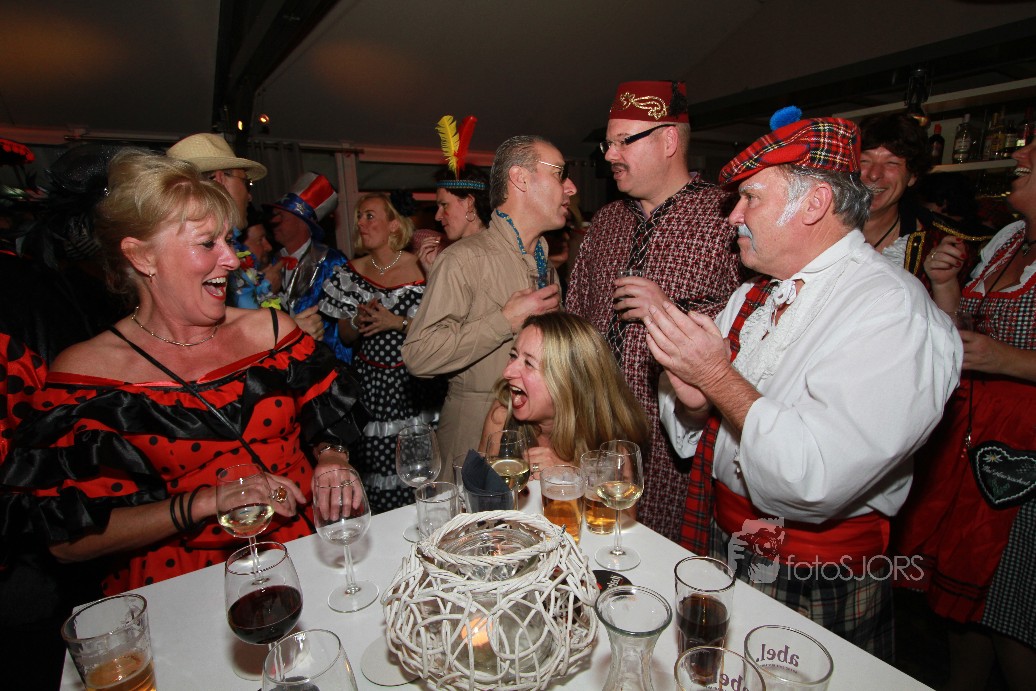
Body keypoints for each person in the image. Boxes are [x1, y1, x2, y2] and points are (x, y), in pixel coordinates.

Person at [648, 110, 961, 659]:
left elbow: (814, 477)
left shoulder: (890, 310)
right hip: (725, 541)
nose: (733, 216)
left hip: (813, 571)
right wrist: (696, 400)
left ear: (814, 204)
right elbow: (702, 428)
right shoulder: (754, 293)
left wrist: (717, 376)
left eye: (751, 198)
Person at [0, 150, 367, 595]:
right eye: (208, 244)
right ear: (142, 256)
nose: (231, 259)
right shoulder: (88, 373)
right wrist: (203, 502)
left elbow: (327, 417)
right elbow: (66, 542)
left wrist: (331, 458)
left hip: (303, 553)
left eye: (228, 240)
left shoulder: (272, 332)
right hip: (182, 585)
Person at [566, 80, 743, 542]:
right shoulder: (605, 222)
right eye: (608, 143)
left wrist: (665, 311)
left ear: (668, 141)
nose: (610, 154)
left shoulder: (727, 218)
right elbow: (575, 317)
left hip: (678, 444)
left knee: (665, 561)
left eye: (624, 141)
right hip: (592, 434)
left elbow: (754, 333)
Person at [894, 139, 1036, 690]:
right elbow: (959, 336)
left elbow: (990, 351)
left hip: (1025, 454)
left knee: (1013, 612)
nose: (1020, 156)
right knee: (962, 608)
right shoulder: (1008, 241)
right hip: (973, 438)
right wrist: (946, 285)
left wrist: (1007, 360)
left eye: (1034, 153)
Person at [402, 135, 570, 464]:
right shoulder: (464, 259)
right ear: (520, 178)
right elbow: (418, 355)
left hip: (537, 436)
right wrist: (504, 321)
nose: (571, 188)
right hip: (473, 434)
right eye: (559, 174)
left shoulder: (545, 265)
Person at [320, 193, 439, 512]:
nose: (361, 222)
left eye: (370, 215)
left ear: (393, 224)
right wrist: (356, 321)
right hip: (371, 388)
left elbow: (438, 329)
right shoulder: (350, 272)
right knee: (377, 473)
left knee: (419, 472)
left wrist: (395, 322)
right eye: (359, 216)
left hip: (413, 385)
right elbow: (345, 336)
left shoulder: (423, 268)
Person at [480, 312, 648, 474]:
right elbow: (478, 488)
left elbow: (616, 493)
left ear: (568, 382)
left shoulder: (614, 449)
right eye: (513, 355)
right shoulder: (502, 415)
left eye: (529, 363)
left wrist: (568, 476)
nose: (507, 372)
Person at [858, 113, 992, 289]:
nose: (874, 174)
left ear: (912, 176)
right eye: (864, 160)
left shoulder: (943, 243)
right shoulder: (820, 227)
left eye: (891, 163)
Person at [166, 132, 282, 310]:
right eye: (246, 183)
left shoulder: (231, 247)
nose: (249, 196)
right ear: (220, 180)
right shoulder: (204, 254)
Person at [266, 172, 351, 362]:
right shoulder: (269, 263)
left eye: (281, 216)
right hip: (283, 361)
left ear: (302, 222)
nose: (274, 221)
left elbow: (345, 324)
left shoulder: (332, 261)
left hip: (323, 362)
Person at [416, 165, 492, 272]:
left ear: (469, 203)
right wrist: (433, 271)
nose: (437, 217)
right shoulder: (503, 246)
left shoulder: (456, 256)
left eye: (444, 205)